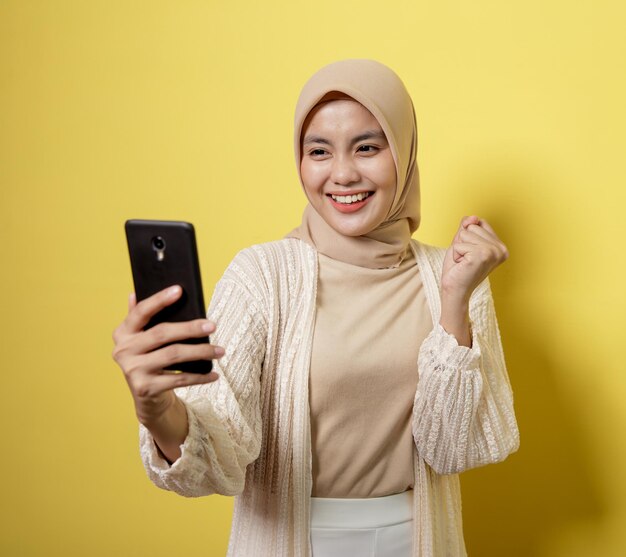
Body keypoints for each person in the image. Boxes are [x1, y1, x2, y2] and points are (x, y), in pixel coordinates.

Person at [112, 59, 519, 557]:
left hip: (415, 542)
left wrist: (455, 301)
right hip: (289, 542)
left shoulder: (454, 275)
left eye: (368, 147)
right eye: (319, 151)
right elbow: (220, 457)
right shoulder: (262, 276)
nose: (343, 174)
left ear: (406, 153)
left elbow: (451, 450)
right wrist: (157, 411)